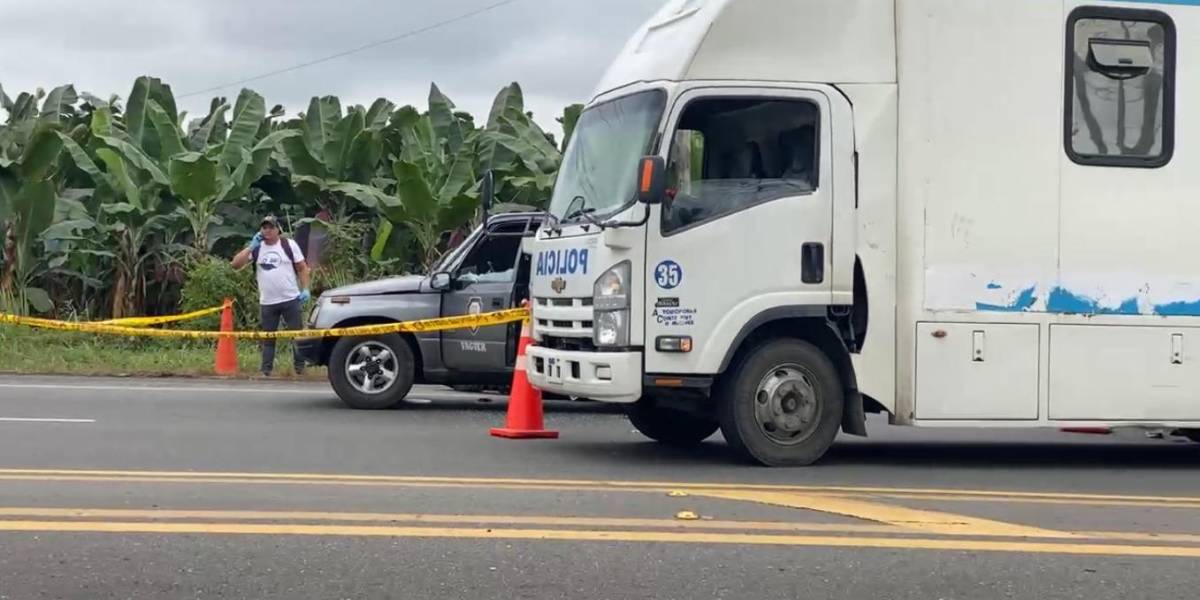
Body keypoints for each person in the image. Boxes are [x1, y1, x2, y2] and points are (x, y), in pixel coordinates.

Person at [231, 215, 311, 376]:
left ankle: (300, 369)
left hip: (290, 299)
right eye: (264, 227)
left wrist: (306, 288)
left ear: (278, 230)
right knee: (268, 338)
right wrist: (250, 247)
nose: (267, 230)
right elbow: (235, 264)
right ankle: (266, 370)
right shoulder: (257, 248)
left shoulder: (289, 245)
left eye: (270, 227)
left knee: (297, 335)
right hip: (267, 301)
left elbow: (302, 268)